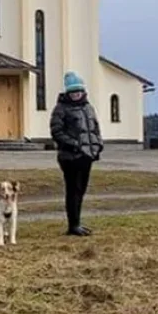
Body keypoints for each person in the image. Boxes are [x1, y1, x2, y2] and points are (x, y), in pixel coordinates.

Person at [49, 71, 104, 236]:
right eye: (73, 92)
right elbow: (56, 132)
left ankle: (77, 223)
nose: (76, 94)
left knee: (80, 191)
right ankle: (73, 225)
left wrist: (98, 144)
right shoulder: (60, 109)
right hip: (69, 157)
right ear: (68, 93)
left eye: (78, 91)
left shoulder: (88, 108)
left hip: (86, 157)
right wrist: (75, 145)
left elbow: (94, 129)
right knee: (73, 191)